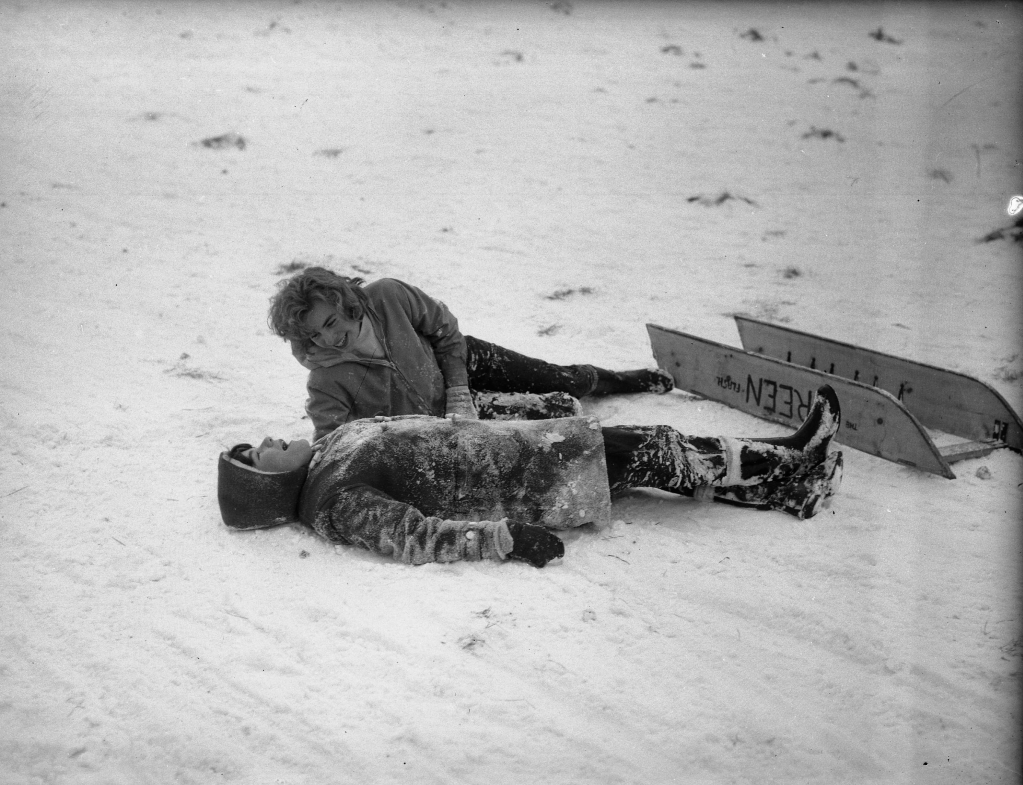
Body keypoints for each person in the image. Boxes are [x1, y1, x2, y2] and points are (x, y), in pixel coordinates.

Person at [217, 385, 843, 568]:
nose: (268, 441)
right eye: (258, 455)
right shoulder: (332, 500)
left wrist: (514, 414)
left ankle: (781, 478)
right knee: (658, 451)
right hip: (530, 477)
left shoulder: (328, 451)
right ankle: (790, 465)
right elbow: (413, 536)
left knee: (655, 450)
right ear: (269, 485)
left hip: (520, 448)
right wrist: (502, 539)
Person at [266, 267, 675, 439]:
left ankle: (620, 380)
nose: (328, 339)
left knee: (560, 379)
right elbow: (331, 437)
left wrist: (459, 387)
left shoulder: (388, 296)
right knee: (558, 413)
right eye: (314, 334)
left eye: (332, 322)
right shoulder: (325, 376)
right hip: (444, 412)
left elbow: (446, 331)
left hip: (460, 359)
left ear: (345, 303)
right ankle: (574, 403)